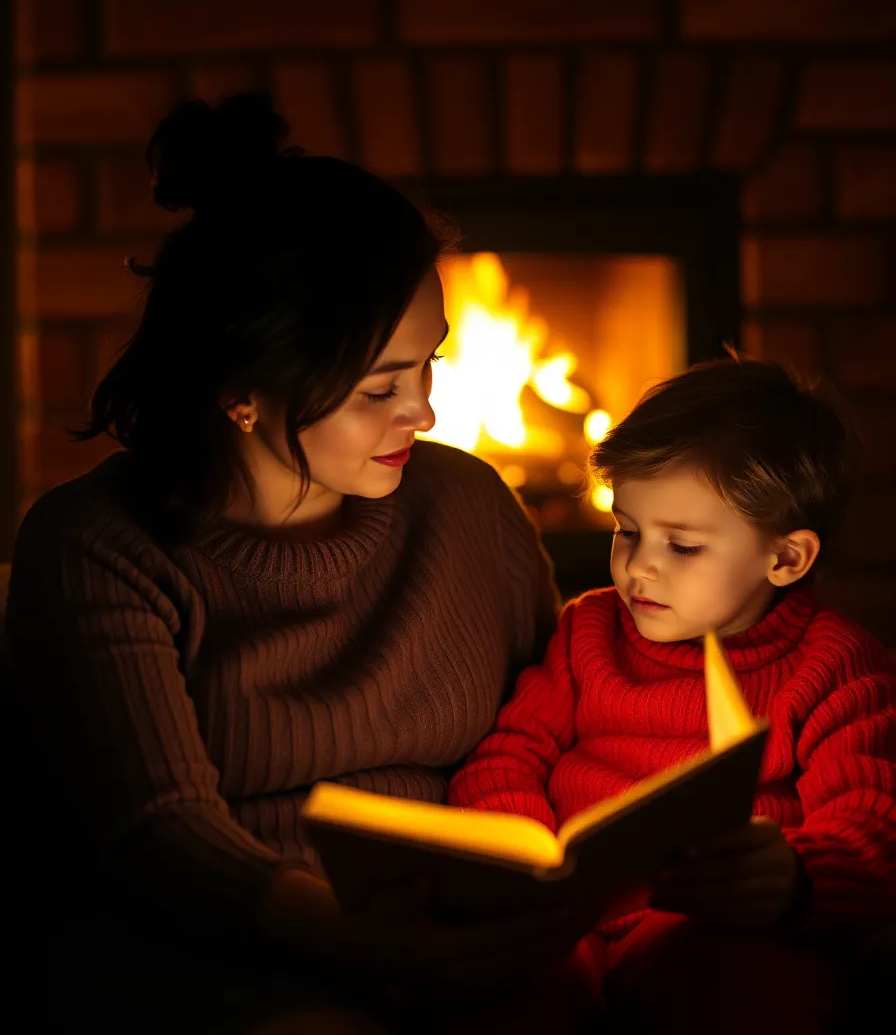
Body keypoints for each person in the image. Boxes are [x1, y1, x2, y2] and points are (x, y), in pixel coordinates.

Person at [5, 94, 586, 1035]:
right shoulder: (96, 546)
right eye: (379, 388)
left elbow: (566, 721)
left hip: (465, 932)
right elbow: (161, 834)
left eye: (429, 364)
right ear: (241, 390)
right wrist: (363, 943)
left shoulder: (467, 507)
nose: (425, 414)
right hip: (216, 947)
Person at [449, 356, 896, 1035]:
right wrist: (526, 860)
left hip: (718, 925)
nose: (639, 565)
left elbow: (873, 822)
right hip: (569, 918)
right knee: (505, 984)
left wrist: (794, 873)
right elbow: (508, 755)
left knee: (742, 986)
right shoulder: (589, 629)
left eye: (682, 546)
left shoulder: (838, 666)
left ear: (785, 559)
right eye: (626, 530)